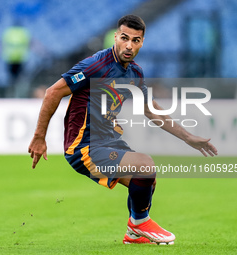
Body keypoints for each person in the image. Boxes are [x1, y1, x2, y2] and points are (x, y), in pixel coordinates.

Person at [28, 15, 217, 245]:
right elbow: (53, 92)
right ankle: (139, 223)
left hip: (108, 140)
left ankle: (134, 233)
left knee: (147, 182)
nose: (129, 45)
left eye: (135, 40)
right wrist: (39, 137)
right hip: (84, 146)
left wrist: (188, 138)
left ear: (142, 42)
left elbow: (150, 110)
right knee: (145, 165)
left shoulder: (134, 73)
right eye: (124, 38)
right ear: (116, 37)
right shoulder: (95, 65)